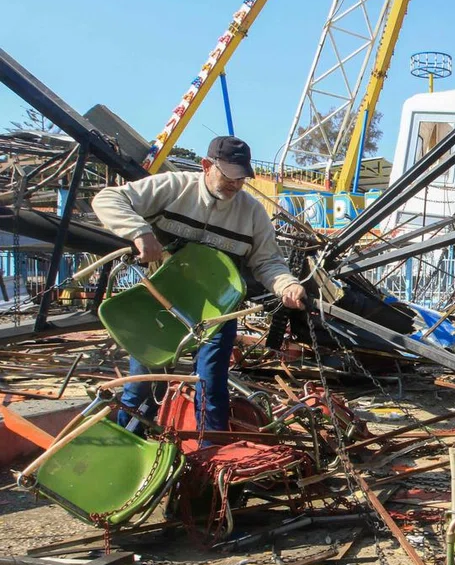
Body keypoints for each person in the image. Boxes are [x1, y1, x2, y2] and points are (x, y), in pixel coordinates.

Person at [92, 135, 306, 435]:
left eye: (242, 178)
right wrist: (140, 231)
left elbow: (268, 261)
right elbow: (107, 198)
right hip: (159, 306)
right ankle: (129, 448)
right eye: (229, 176)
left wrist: (286, 285)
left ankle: (210, 454)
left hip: (216, 313)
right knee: (141, 389)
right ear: (207, 166)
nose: (236, 184)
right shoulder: (174, 187)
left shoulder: (252, 212)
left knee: (211, 388)